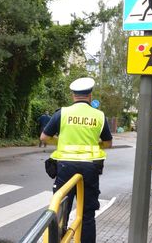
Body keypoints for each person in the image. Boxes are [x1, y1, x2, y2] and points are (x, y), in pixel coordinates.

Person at [40, 77, 112, 243]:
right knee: (87, 214)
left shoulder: (62, 113)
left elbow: (44, 137)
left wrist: (60, 142)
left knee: (60, 210)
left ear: (73, 95)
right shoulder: (99, 116)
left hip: (65, 167)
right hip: (90, 169)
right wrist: (94, 144)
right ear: (90, 95)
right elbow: (108, 143)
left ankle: (58, 239)